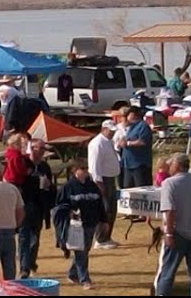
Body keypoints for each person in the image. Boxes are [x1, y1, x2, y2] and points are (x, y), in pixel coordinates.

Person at [154, 153, 191, 297]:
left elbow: (169, 210)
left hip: (178, 233)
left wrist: (169, 233)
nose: (169, 168)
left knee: (168, 271)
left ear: (177, 165)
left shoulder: (169, 183)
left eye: (171, 164)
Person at [58, 162, 104, 290]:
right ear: (75, 170)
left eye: (86, 168)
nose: (85, 171)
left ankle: (73, 274)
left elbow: (100, 203)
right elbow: (59, 206)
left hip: (91, 223)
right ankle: (85, 280)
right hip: (76, 225)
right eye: (82, 168)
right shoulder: (68, 187)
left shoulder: (92, 186)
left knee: (85, 250)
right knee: (81, 252)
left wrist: (104, 220)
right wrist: (69, 212)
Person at [19, 138, 55, 279]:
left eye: (43, 149)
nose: (41, 152)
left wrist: (48, 187)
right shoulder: (24, 164)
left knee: (35, 239)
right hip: (24, 205)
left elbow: (51, 187)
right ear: (31, 148)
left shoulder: (45, 167)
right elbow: (20, 183)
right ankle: (24, 269)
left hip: (39, 207)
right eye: (39, 148)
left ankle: (31, 263)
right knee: (23, 238)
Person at [87, 118, 122, 249]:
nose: (112, 133)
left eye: (114, 131)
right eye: (110, 131)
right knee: (105, 209)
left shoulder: (108, 141)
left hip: (110, 178)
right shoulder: (97, 143)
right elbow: (94, 164)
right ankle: (101, 238)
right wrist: (98, 182)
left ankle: (107, 237)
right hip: (102, 179)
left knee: (112, 208)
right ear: (103, 129)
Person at [121, 107, 154, 188]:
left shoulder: (143, 126)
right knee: (128, 188)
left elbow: (143, 141)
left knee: (140, 187)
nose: (126, 117)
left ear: (133, 115)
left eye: (127, 115)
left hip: (139, 164)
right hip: (128, 164)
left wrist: (128, 143)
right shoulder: (131, 127)